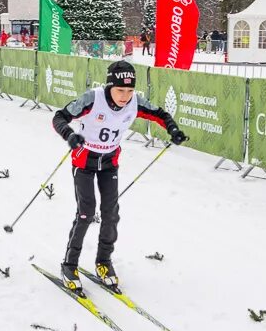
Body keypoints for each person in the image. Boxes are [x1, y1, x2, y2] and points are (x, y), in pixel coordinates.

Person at [50, 60, 187, 291]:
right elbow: (59, 117)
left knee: (111, 214)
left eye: (130, 90)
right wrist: (70, 135)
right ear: (110, 86)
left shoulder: (134, 102)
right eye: (120, 90)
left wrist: (173, 129)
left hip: (109, 163)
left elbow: (160, 114)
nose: (125, 96)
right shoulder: (93, 98)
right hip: (84, 161)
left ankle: (103, 261)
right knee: (86, 212)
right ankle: (69, 265)